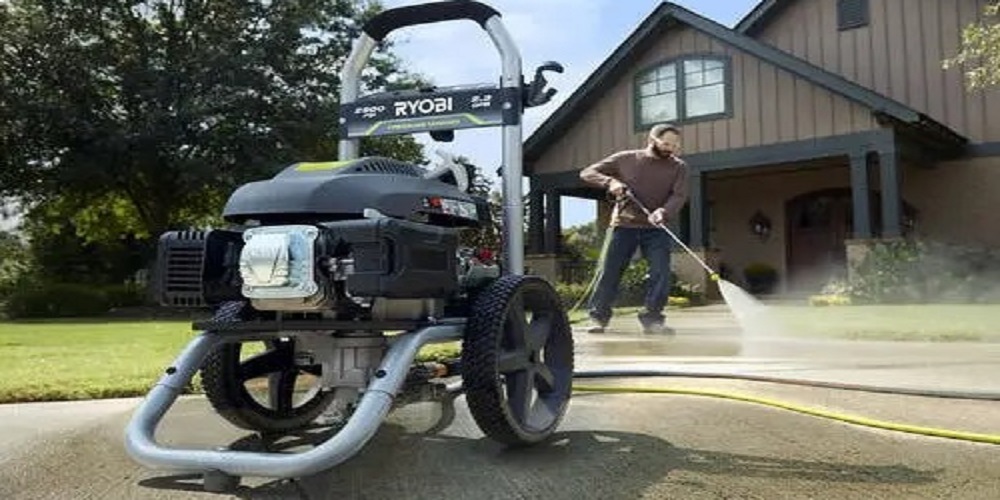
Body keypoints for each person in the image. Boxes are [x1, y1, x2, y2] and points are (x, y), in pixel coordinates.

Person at [578, 123, 689, 334]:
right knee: (610, 272)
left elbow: (679, 195)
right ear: (652, 140)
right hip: (624, 225)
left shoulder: (679, 167)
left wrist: (663, 212)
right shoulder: (626, 158)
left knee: (661, 273)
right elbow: (587, 173)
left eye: (675, 145)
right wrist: (610, 182)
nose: (671, 148)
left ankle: (653, 319)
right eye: (666, 143)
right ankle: (598, 318)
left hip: (656, 228)